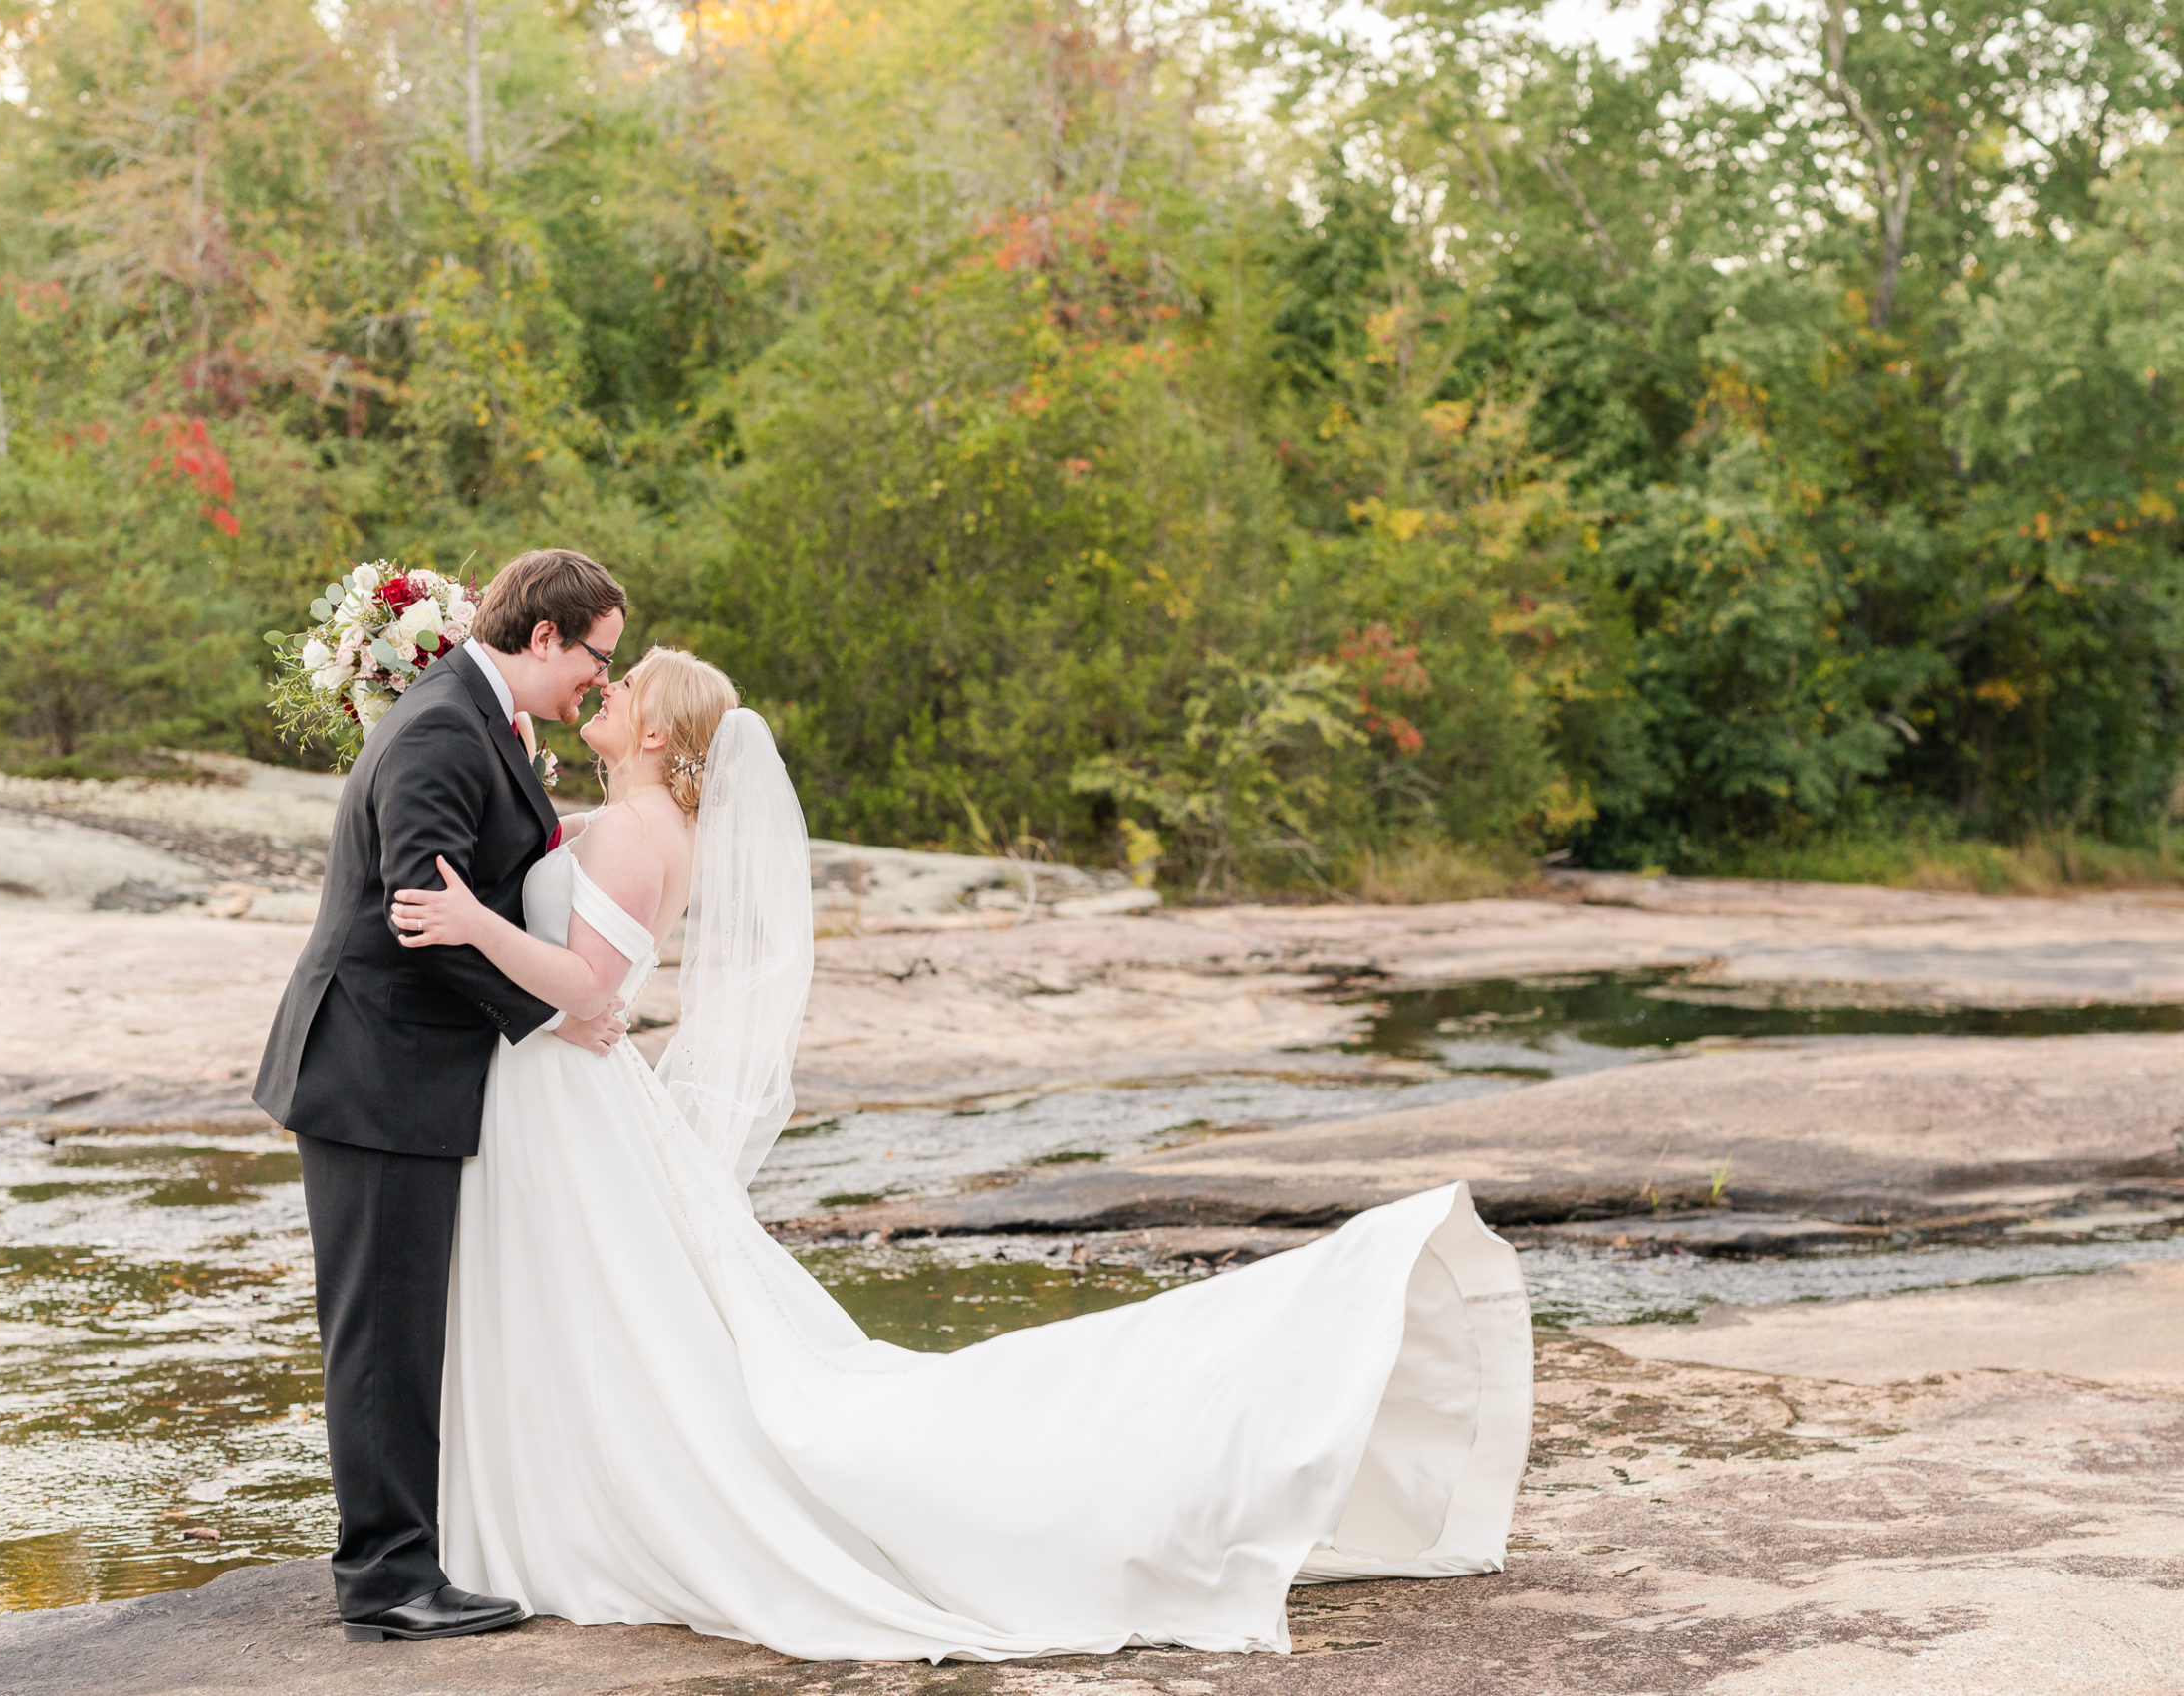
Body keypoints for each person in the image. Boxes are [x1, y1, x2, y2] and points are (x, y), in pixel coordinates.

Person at [390, 646, 1535, 1662]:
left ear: (653, 731)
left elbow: (588, 984)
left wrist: (476, 928)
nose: (608, 680)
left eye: (625, 682)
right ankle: (554, 1507)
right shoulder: (625, 821)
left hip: (573, 1091)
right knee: (601, 1316)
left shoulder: (644, 832)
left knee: (623, 1328)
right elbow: (542, 877)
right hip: (562, 1095)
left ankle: (579, 1515)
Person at [253, 548, 631, 1642]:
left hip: (403, 1069)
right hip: (374, 1068)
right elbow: (423, 909)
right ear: (546, 635)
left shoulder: (476, 715)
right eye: (595, 657)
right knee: (381, 1332)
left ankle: (409, 1553)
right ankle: (385, 1580)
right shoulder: (436, 728)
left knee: (404, 1325)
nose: (599, 684)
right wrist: (554, 1010)